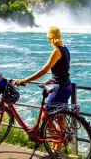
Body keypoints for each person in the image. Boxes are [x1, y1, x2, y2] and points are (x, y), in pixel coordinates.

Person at [13, 26, 72, 155]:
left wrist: (24, 80)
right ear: (59, 36)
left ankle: (56, 146)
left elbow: (43, 70)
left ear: (49, 38)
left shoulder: (56, 51)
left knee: (45, 117)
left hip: (59, 89)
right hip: (67, 87)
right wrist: (52, 79)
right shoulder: (65, 49)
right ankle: (58, 149)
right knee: (60, 117)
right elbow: (63, 69)